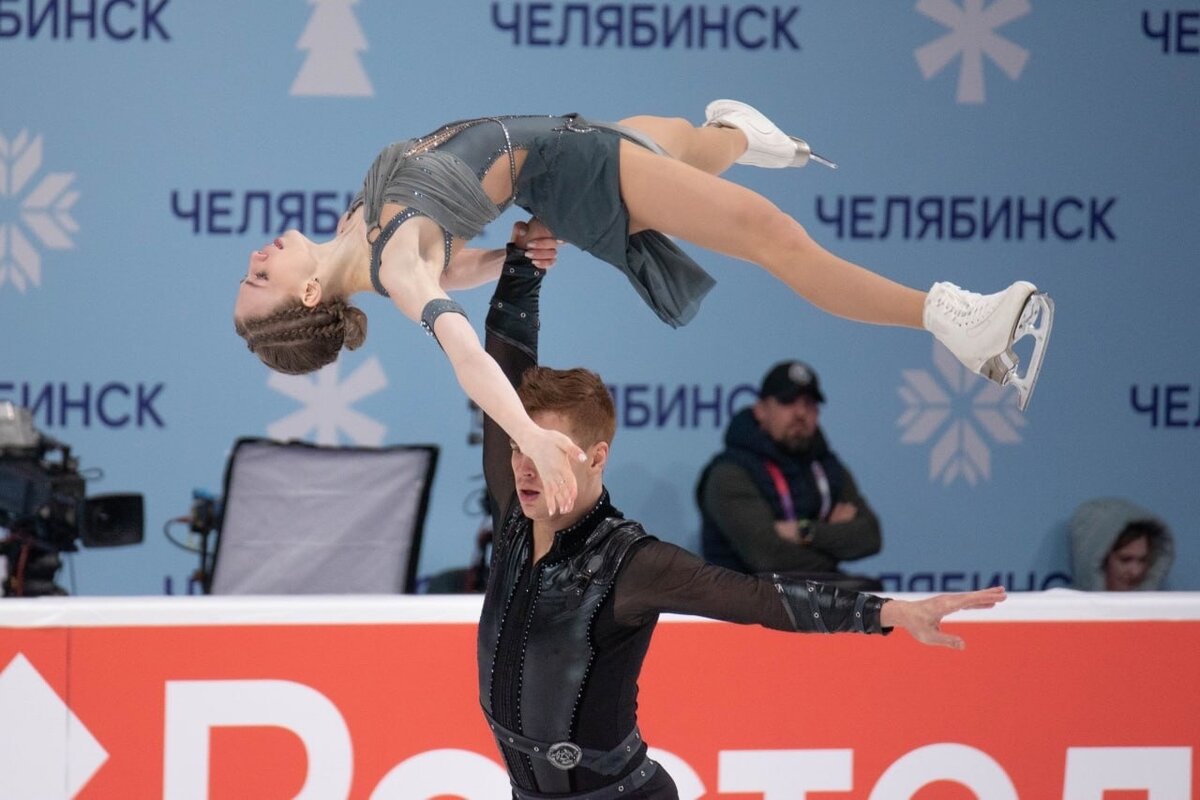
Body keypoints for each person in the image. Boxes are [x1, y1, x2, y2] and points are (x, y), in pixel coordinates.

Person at [233, 100, 1054, 519]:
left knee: (681, 142)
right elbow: (465, 354)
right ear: (308, 296)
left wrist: (505, 256)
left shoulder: (360, 237)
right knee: (770, 234)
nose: (256, 258)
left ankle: (742, 135)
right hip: (575, 173)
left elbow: (453, 253)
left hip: (567, 146)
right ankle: (953, 321)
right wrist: (530, 437)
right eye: (259, 280)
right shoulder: (393, 264)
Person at [478, 220, 1007, 799]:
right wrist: (522, 268)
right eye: (519, 447)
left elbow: (761, 599)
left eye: (545, 451)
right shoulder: (514, 514)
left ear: (596, 456)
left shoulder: (632, 562)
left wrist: (887, 613)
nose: (525, 467)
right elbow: (499, 370)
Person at [696, 360, 882, 589]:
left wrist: (803, 532)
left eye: (809, 403)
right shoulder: (729, 473)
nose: (800, 412)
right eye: (787, 402)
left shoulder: (827, 467)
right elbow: (768, 557)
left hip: (815, 600)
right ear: (761, 411)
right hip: (742, 608)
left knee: (872, 595)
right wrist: (835, 545)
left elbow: (870, 536)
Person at [1069, 497, 1175, 591]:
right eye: (1125, 560)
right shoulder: (1064, 611)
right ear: (1099, 560)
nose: (1136, 571)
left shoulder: (1162, 611)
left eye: (1143, 560)